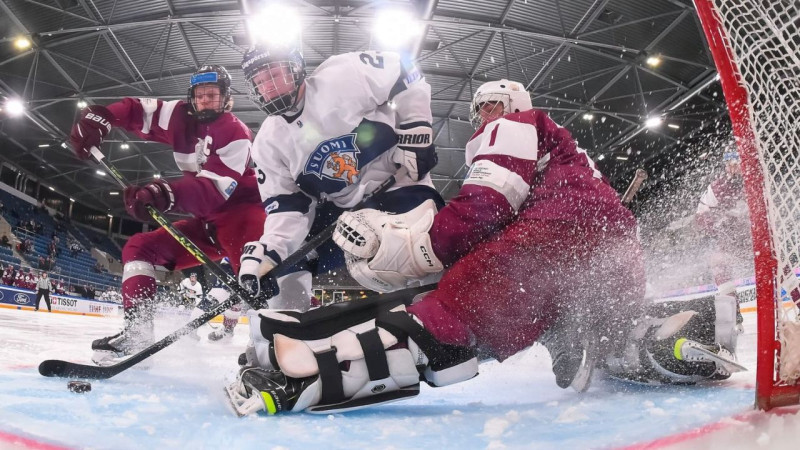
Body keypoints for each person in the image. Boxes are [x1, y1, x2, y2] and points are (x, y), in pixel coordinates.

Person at [224, 79, 744, 415]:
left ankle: (303, 377)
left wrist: (422, 247)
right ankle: (688, 328)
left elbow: (485, 206)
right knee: (606, 334)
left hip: (553, 243)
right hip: (606, 254)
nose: (483, 116)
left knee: (446, 322)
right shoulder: (559, 150)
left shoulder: (519, 124)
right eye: (479, 109)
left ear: (516, 104)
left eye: (492, 105)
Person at [68, 65, 266, 365]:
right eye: (200, 95)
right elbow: (138, 111)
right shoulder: (180, 115)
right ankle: (138, 332)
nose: (205, 100)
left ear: (227, 99)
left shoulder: (236, 132)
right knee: (138, 247)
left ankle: (270, 348)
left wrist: (163, 193)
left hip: (243, 220)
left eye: (212, 95)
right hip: (208, 224)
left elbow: (214, 191)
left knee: (254, 282)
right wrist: (101, 118)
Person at [236, 43, 441, 312]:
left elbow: (404, 68)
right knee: (283, 263)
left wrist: (416, 124)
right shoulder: (267, 144)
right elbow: (288, 208)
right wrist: (272, 252)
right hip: (345, 212)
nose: (269, 86)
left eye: (275, 74)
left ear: (296, 69)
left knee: (418, 249)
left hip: (399, 186)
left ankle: (434, 318)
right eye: (260, 82)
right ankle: (286, 329)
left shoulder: (341, 75)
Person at [694, 149, 748, 328]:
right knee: (719, 266)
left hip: (753, 236)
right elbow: (700, 216)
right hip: (729, 238)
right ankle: (736, 315)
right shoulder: (717, 187)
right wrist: (719, 224)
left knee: (776, 261)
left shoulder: (754, 181)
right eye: (730, 164)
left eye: (736, 163)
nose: (733, 168)